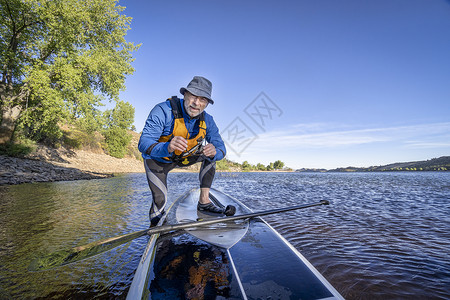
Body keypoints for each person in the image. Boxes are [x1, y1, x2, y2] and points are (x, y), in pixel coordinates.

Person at [138, 76, 234, 227]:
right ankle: (156, 227)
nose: (196, 103)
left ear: (207, 104)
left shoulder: (208, 120)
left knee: (211, 156)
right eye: (193, 96)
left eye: (202, 99)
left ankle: (204, 201)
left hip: (186, 157)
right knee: (159, 199)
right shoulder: (162, 110)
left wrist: (215, 151)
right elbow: (143, 143)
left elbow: (221, 148)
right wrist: (167, 147)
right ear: (185, 95)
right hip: (159, 160)